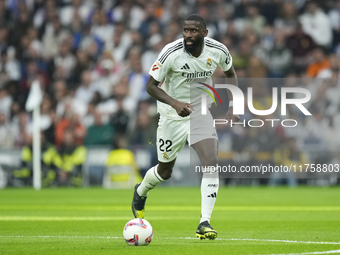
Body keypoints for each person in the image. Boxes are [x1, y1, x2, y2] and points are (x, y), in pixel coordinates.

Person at [131, 14, 239, 240]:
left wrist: (234, 106)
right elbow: (150, 86)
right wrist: (175, 102)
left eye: (194, 31)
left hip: (200, 113)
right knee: (165, 171)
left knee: (211, 161)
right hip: (171, 116)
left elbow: (230, 74)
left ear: (204, 33)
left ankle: (204, 222)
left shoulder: (217, 50)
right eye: (186, 31)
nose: (188, 35)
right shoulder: (171, 52)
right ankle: (141, 191)